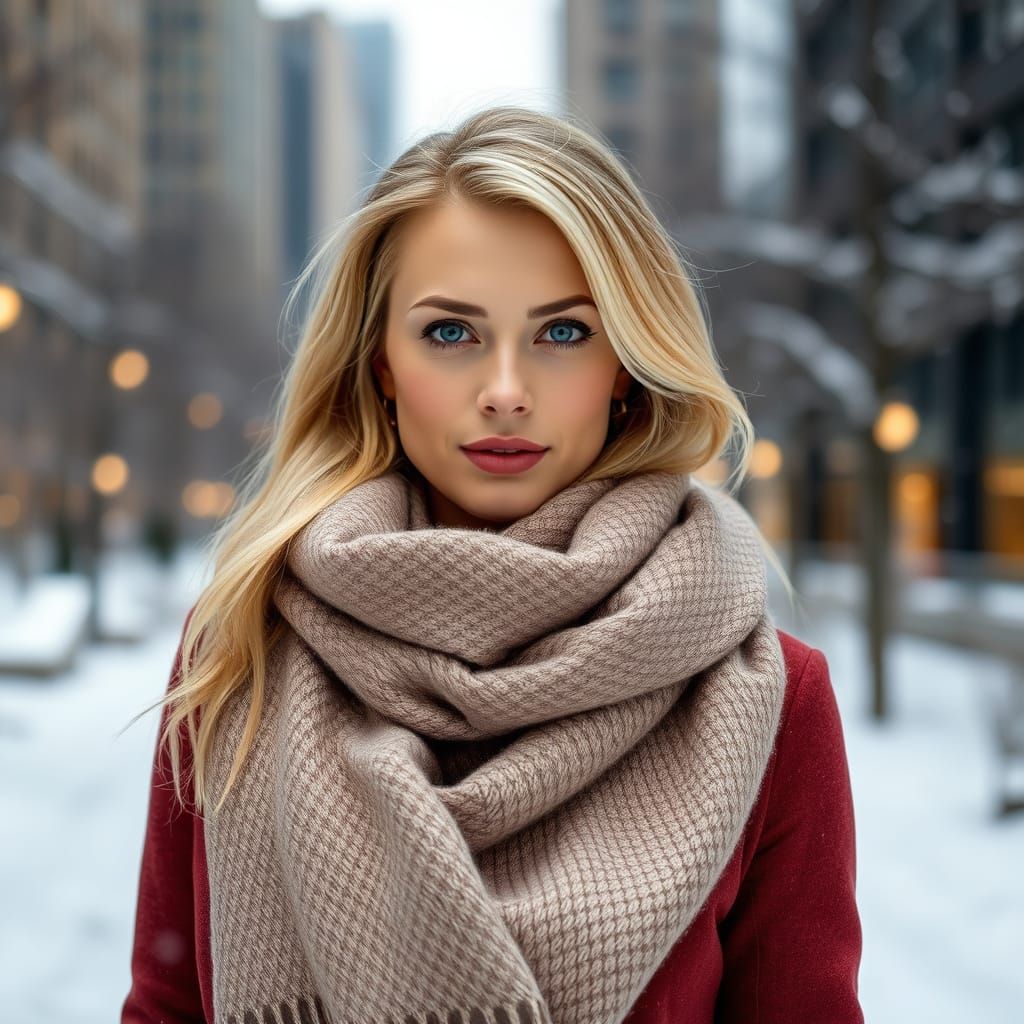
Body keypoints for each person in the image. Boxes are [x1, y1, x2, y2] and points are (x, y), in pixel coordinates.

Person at [121, 105, 864, 1024]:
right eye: (449, 333)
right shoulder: (239, 650)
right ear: (379, 364)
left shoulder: (770, 699)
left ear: (626, 365)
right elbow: (167, 1004)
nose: (506, 392)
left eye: (563, 333)